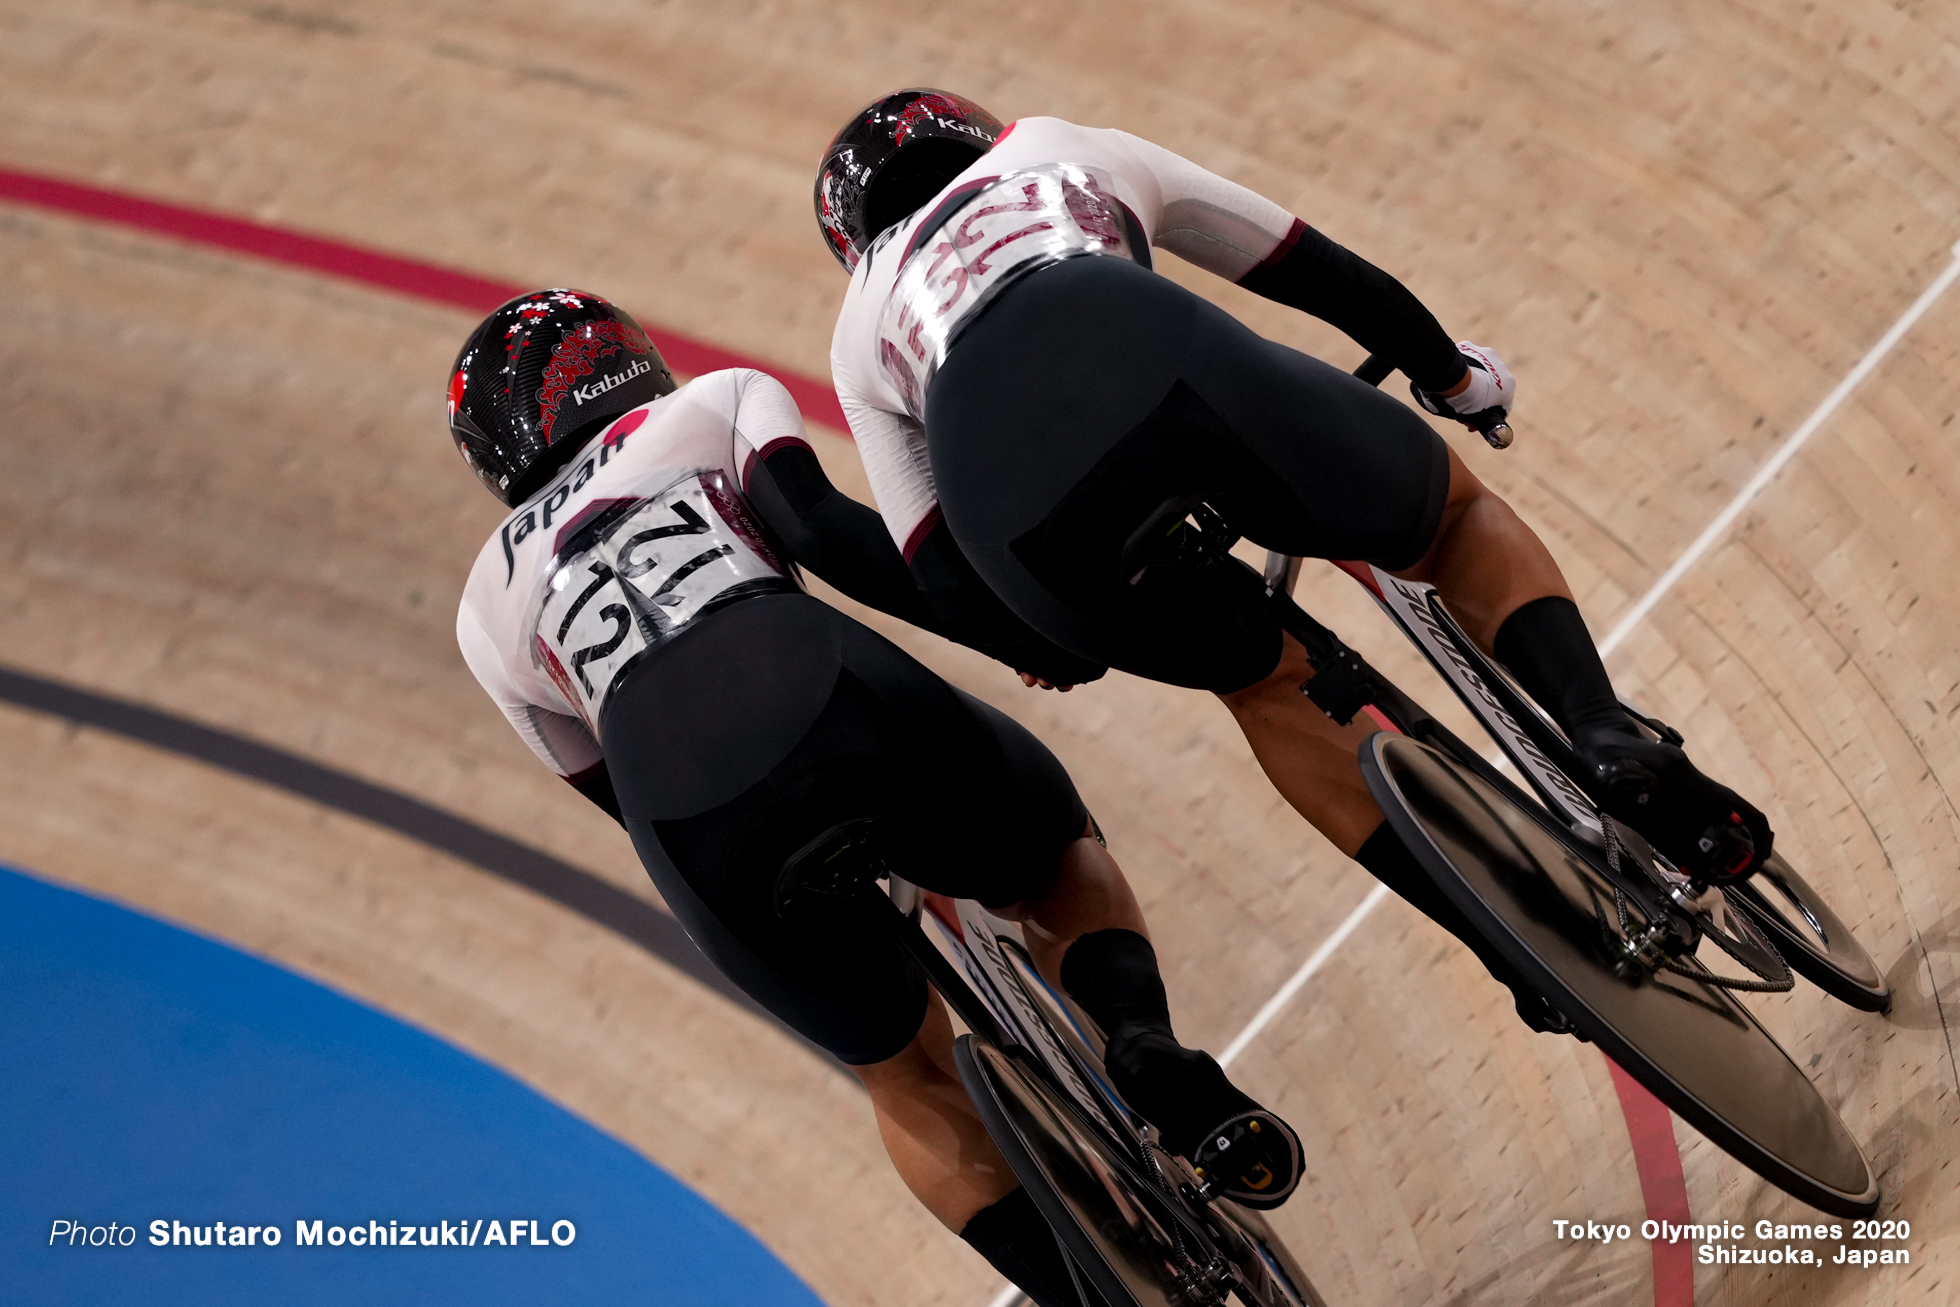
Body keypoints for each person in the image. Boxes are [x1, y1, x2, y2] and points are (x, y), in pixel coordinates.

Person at [813, 89, 1775, 1032]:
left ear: (855, 247)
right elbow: (1313, 270)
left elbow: (937, 568)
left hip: (1028, 516)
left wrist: (1053, 642)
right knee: (1449, 523)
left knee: (1263, 684)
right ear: (978, 133)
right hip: (1162, 360)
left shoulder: (860, 331)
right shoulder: (1055, 145)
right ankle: (1603, 729)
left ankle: (1503, 940)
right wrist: (1452, 375)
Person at [446, 288, 1303, 1307]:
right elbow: (835, 538)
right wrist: (1019, 633)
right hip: (824, 686)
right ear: (627, 361)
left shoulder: (479, 609)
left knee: (902, 1076)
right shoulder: (712, 401)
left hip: (692, 820)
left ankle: (1079, 1292)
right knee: (1054, 856)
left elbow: (608, 790)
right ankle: (1144, 1048)